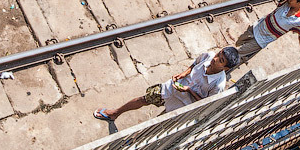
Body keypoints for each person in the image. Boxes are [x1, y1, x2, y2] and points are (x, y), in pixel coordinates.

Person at [93, 47, 240, 122]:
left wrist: (189, 91)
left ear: (226, 68)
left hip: (183, 105)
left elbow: (205, 104)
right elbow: (194, 63)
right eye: (218, 55)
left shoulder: (219, 84)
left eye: (220, 60)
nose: (215, 59)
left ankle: (135, 140)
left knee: (158, 123)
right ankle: (114, 113)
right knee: (144, 99)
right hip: (171, 88)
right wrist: (184, 73)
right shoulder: (208, 56)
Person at [233, 0, 300, 63]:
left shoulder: (298, 21)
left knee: (236, 54)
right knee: (238, 43)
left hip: (260, 41)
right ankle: (241, 59)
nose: (289, 0)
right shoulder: (284, 4)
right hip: (255, 28)